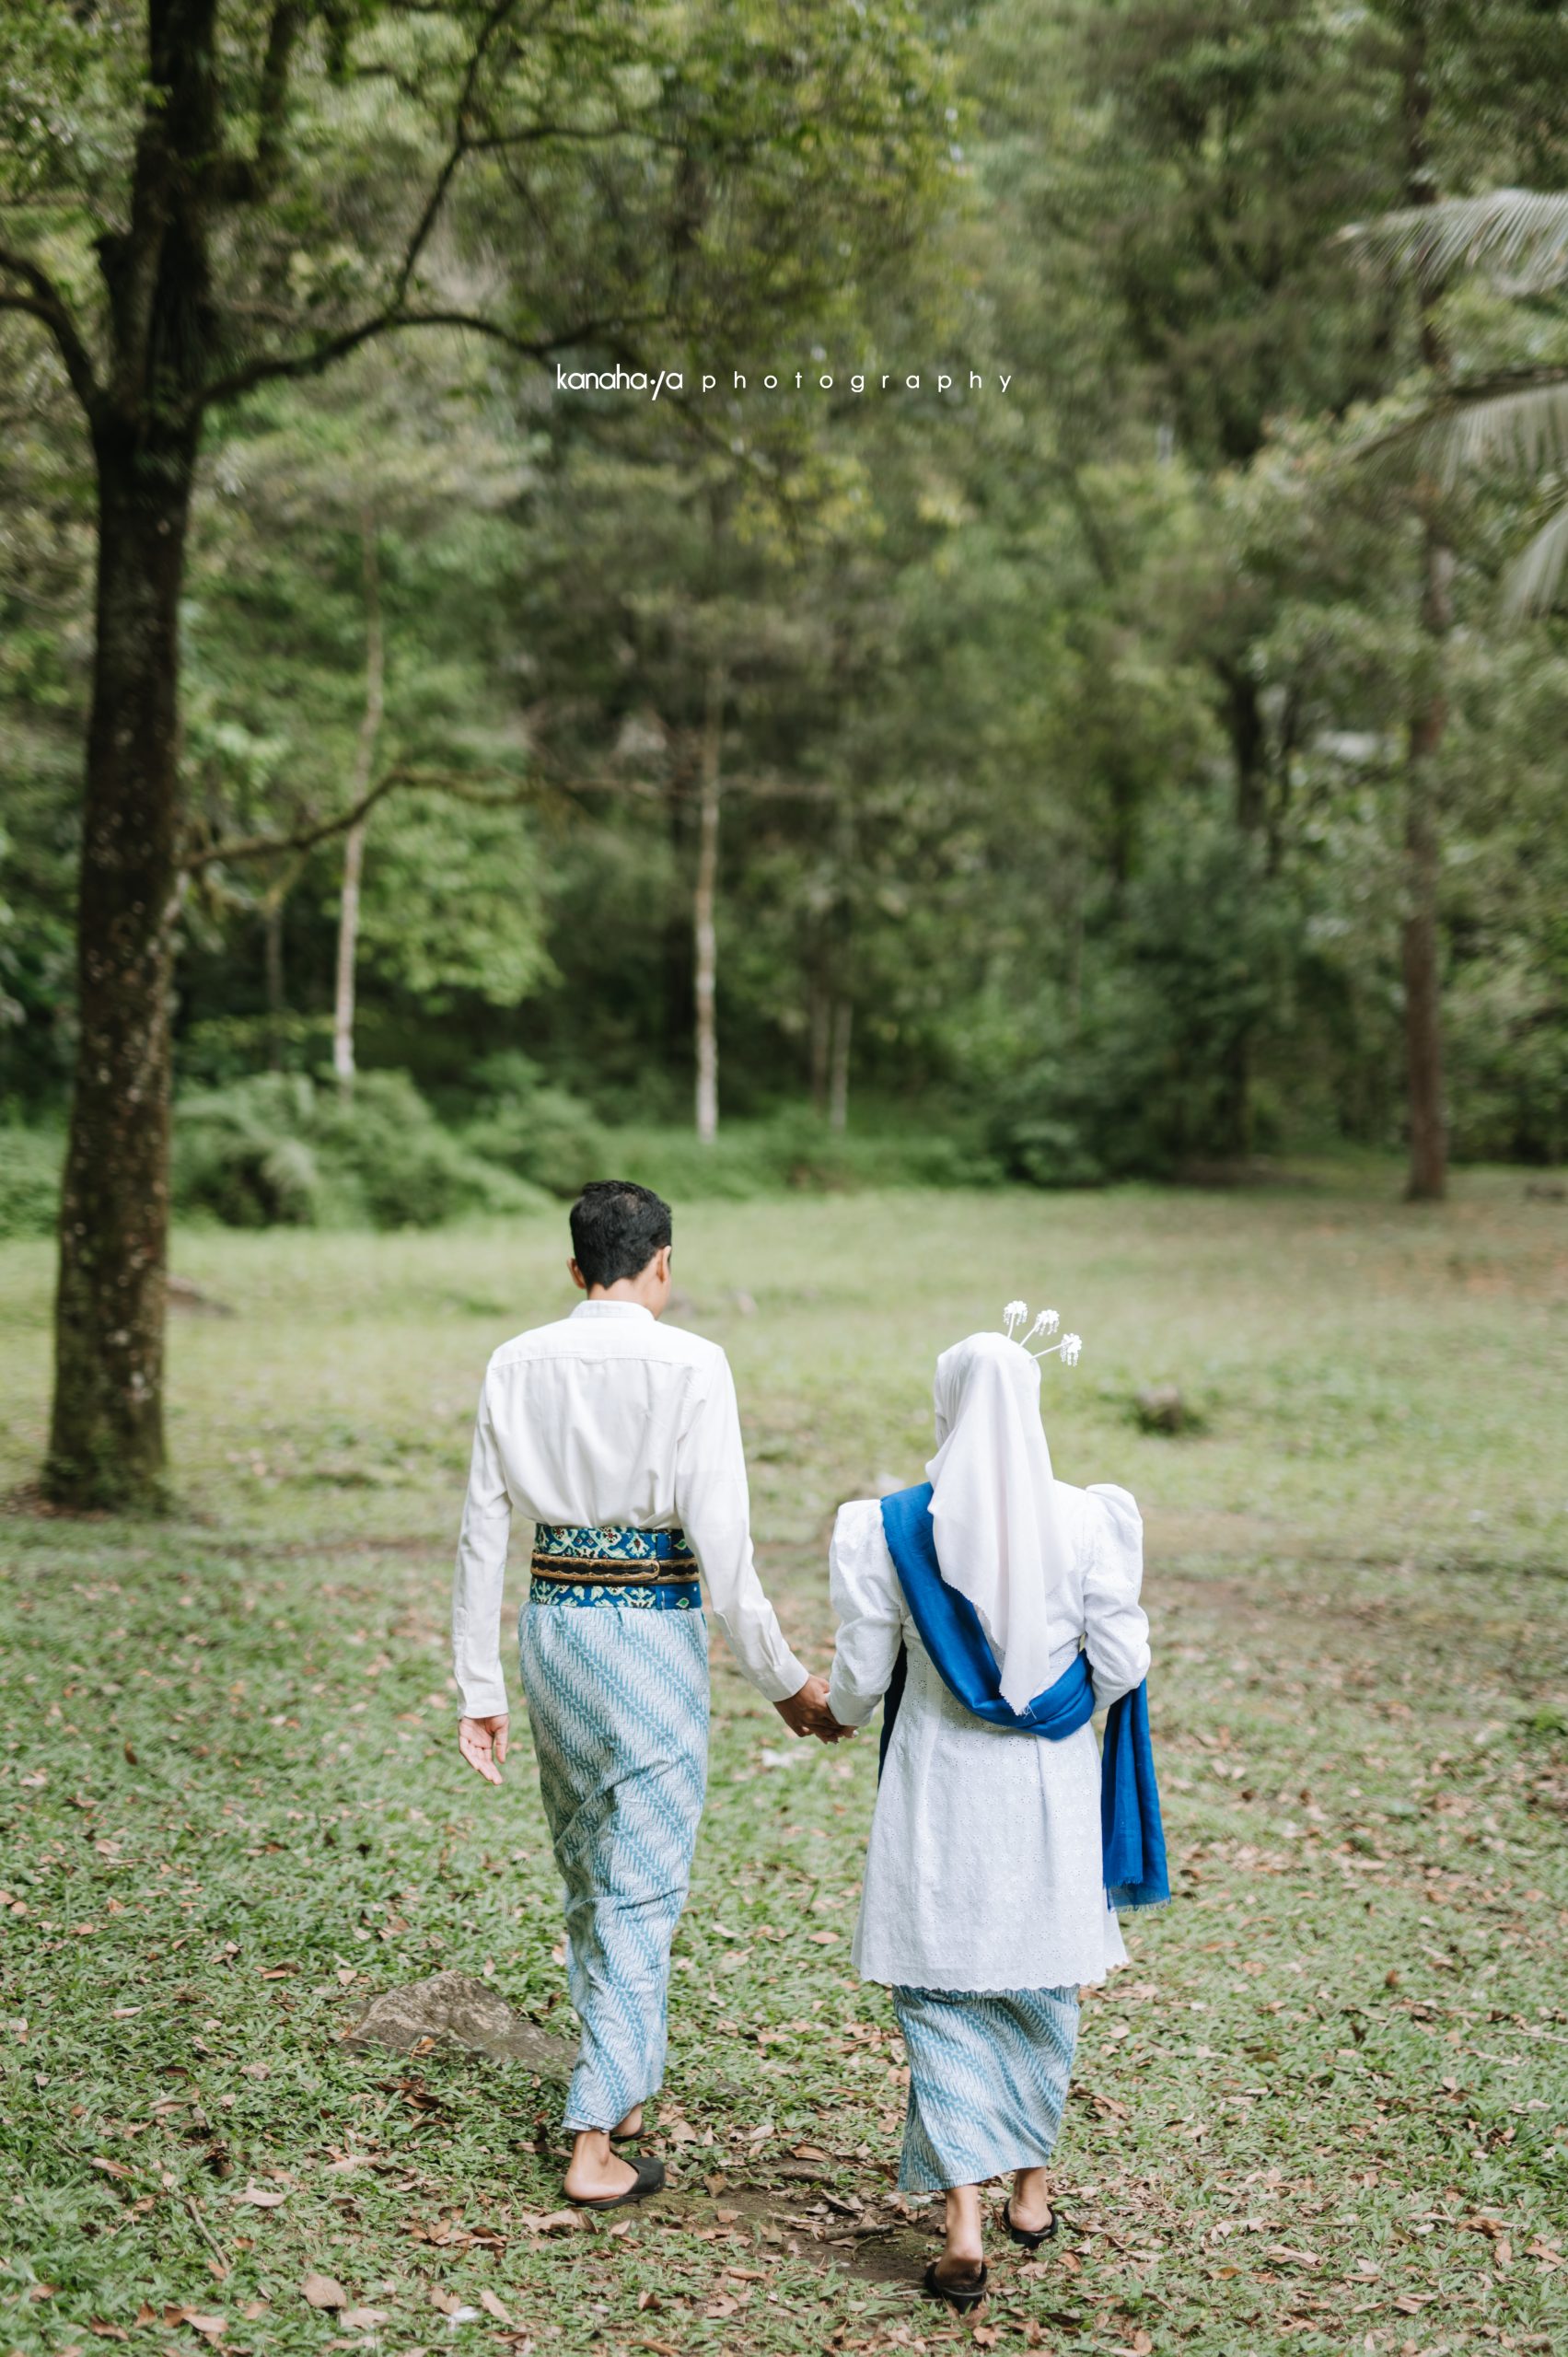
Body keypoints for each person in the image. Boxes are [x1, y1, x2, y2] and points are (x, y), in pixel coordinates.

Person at [451, 1179, 843, 2212]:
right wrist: (783, 1681)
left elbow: (482, 1530)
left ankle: (622, 2090)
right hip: (649, 1633)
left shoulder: (514, 1360)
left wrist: (479, 1685)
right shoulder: (693, 1363)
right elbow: (725, 1548)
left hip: (552, 1629)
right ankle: (593, 2140)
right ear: (662, 1261)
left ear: (575, 1267)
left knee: (590, 1860)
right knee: (643, 1878)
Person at [823, 1320, 1165, 2309]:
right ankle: (1031, 2190)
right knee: (1041, 1989)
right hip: (1048, 1790)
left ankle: (963, 2223)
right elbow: (1121, 1662)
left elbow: (860, 1678)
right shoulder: (1091, 1519)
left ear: (948, 1407)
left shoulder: (884, 1528)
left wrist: (831, 1712)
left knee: (941, 2000)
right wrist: (1056, 1712)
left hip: (936, 1786)